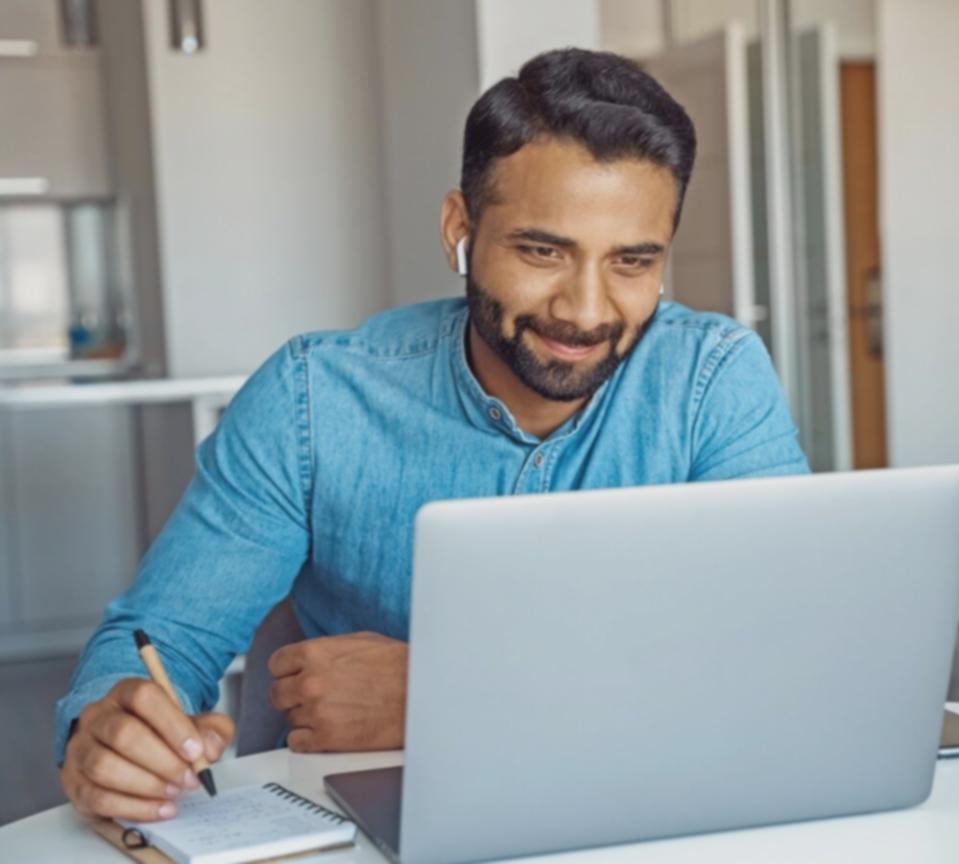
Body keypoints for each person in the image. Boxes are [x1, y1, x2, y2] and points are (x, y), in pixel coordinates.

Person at [56, 48, 808, 822]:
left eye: (631, 261)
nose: (585, 310)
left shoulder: (712, 379)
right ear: (461, 227)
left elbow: (783, 658)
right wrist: (107, 730)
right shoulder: (314, 397)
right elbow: (164, 636)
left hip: (644, 813)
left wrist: (447, 692)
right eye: (543, 251)